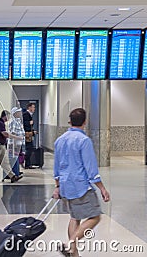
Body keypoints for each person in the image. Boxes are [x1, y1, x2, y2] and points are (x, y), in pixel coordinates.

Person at [53, 108, 110, 257]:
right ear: (85, 122)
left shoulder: (60, 140)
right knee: (95, 216)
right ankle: (70, 244)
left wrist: (57, 187)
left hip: (66, 186)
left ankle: (74, 254)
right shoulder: (84, 141)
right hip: (80, 186)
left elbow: (56, 167)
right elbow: (91, 169)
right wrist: (102, 188)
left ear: (69, 121)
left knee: (75, 217)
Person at [4, 107, 25, 181]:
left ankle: (15, 174)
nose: (20, 113)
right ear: (15, 114)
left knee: (15, 159)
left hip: (18, 144)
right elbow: (12, 134)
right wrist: (18, 139)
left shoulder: (19, 121)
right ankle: (9, 175)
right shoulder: (13, 122)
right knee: (12, 160)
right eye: (19, 112)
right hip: (13, 144)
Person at [22, 103, 37, 169]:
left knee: (30, 148)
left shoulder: (29, 115)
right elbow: (24, 124)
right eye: (33, 107)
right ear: (29, 107)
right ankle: (26, 163)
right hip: (27, 134)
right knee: (29, 148)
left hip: (29, 134)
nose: (34, 109)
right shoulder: (26, 114)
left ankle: (28, 164)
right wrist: (29, 123)